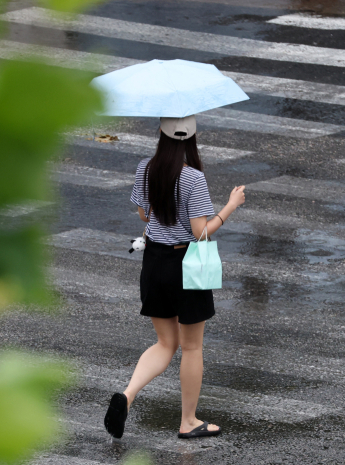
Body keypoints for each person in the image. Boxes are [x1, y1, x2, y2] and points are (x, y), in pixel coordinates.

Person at [103, 115, 246, 440]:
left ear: (160, 133)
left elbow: (143, 214)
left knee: (165, 343)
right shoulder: (193, 178)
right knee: (191, 348)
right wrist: (230, 206)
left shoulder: (146, 167)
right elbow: (201, 233)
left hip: (154, 262)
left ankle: (127, 395)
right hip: (187, 263)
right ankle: (188, 421)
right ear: (191, 138)